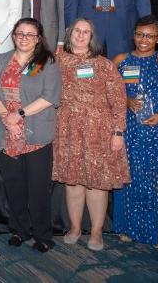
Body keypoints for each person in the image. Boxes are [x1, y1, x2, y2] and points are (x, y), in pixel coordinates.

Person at [53, 18, 130, 251]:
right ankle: (75, 228)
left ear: (92, 37)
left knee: (98, 183)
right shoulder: (55, 60)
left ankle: (96, 232)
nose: (81, 35)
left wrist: (118, 131)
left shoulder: (105, 65)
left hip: (100, 130)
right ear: (69, 34)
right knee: (73, 181)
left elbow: (119, 101)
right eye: (77, 30)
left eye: (86, 32)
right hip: (68, 129)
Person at [0, 18, 61, 253]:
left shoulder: (46, 62)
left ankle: (43, 235)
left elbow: (50, 97)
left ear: (38, 38)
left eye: (30, 34)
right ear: (13, 36)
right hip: (7, 133)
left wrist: (18, 115)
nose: (24, 38)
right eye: (20, 33)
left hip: (35, 132)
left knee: (38, 189)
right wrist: (6, 118)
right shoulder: (1, 60)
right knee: (14, 187)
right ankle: (19, 230)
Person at [113, 17, 158, 251]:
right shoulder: (121, 60)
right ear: (134, 34)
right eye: (140, 34)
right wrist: (126, 99)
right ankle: (129, 227)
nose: (144, 40)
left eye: (150, 36)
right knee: (130, 176)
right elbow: (107, 92)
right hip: (129, 128)